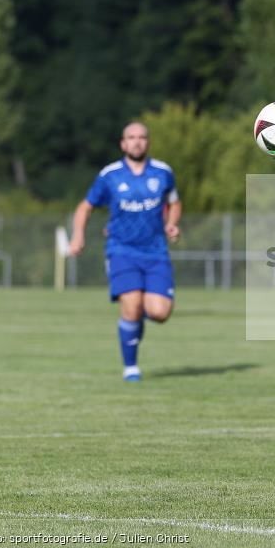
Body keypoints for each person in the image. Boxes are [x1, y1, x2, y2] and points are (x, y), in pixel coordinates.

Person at [69, 122, 181, 381]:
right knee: (131, 306)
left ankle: (139, 319)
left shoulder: (163, 172)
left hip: (156, 252)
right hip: (122, 250)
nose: (137, 142)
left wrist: (172, 223)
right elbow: (85, 207)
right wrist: (78, 235)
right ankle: (131, 367)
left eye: (142, 137)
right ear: (123, 144)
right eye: (131, 137)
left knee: (160, 313)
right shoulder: (110, 175)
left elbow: (174, 202)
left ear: (148, 142)